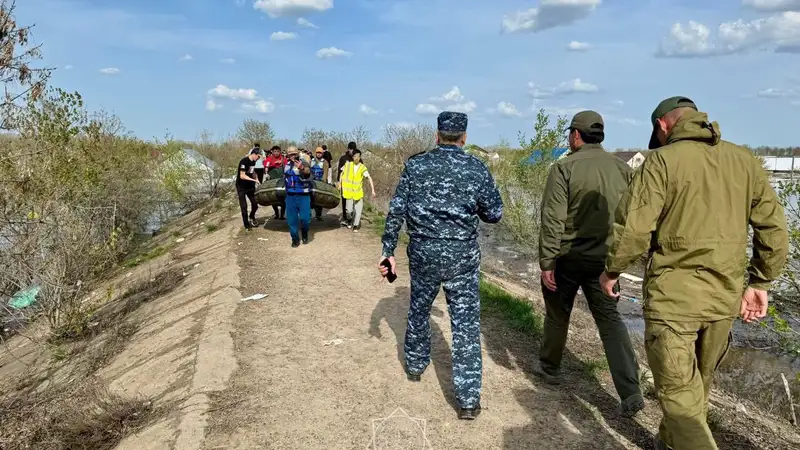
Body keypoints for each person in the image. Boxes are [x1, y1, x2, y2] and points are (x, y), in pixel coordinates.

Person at [599, 96, 789, 450]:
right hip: (723, 301)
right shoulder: (745, 160)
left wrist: (612, 271)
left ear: (663, 126)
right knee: (696, 386)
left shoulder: (661, 161)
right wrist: (760, 281)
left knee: (678, 394)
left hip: (674, 301)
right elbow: (774, 230)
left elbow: (633, 229)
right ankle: (669, 443)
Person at [379, 111, 503, 420]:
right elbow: (494, 214)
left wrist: (388, 251)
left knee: (419, 309)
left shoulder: (416, 165)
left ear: (437, 135)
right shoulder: (476, 168)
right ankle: (468, 400)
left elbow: (396, 210)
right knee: (465, 323)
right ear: (464, 137)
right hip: (462, 256)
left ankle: (415, 366)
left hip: (424, 251)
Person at [536, 110, 644, 418]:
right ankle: (630, 390)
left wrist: (547, 261)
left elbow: (553, 219)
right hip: (606, 263)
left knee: (558, 313)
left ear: (575, 135)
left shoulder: (563, 168)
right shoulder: (623, 169)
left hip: (567, 258)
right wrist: (620, 262)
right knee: (610, 321)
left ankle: (550, 368)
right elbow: (632, 220)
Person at [337, 149, 376, 232]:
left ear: (360, 157)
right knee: (349, 211)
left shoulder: (362, 167)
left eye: (358, 156)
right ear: (352, 157)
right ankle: (349, 220)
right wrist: (340, 184)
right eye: (355, 156)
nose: (357, 158)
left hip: (358, 192)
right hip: (348, 192)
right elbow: (341, 174)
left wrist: (373, 190)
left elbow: (369, 178)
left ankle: (355, 225)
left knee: (358, 210)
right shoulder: (347, 165)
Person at [283, 146, 313, 247]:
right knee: (291, 220)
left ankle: (304, 231)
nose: (292, 156)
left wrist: (302, 168)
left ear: (297, 154)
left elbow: (308, 173)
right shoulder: (286, 165)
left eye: (294, 154)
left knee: (305, 218)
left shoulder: (304, 162)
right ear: (288, 155)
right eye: (290, 154)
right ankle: (295, 239)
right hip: (290, 195)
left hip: (303, 195)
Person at [236, 147, 262, 231]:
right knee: (244, 207)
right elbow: (242, 176)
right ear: (254, 154)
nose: (258, 159)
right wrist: (253, 180)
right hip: (241, 187)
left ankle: (252, 216)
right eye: (258, 156)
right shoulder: (244, 161)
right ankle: (246, 225)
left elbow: (252, 171)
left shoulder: (253, 162)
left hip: (250, 186)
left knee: (255, 204)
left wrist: (256, 179)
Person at [337, 142, 356, 226]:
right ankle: (345, 218)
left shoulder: (357, 158)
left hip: (354, 185)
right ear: (348, 149)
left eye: (353, 149)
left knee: (353, 202)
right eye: (351, 149)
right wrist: (339, 182)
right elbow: (339, 171)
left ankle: (351, 218)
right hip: (345, 184)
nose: (352, 150)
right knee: (344, 201)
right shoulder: (343, 158)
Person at [265, 145, 286, 220]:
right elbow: (266, 166)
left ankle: (282, 215)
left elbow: (287, 167)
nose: (276, 153)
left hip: (281, 180)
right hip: (272, 180)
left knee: (283, 197)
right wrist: (267, 173)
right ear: (272, 152)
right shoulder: (269, 158)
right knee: (273, 197)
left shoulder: (283, 159)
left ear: (280, 152)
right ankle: (276, 214)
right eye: (275, 151)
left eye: (278, 151)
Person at [310, 147, 330, 221]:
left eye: (320, 153)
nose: (318, 154)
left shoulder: (325, 162)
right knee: (310, 198)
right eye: (317, 153)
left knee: (319, 199)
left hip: (320, 182)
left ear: (322, 154)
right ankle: (310, 214)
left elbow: (325, 173)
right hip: (312, 181)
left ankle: (318, 215)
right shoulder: (311, 161)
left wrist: (323, 182)